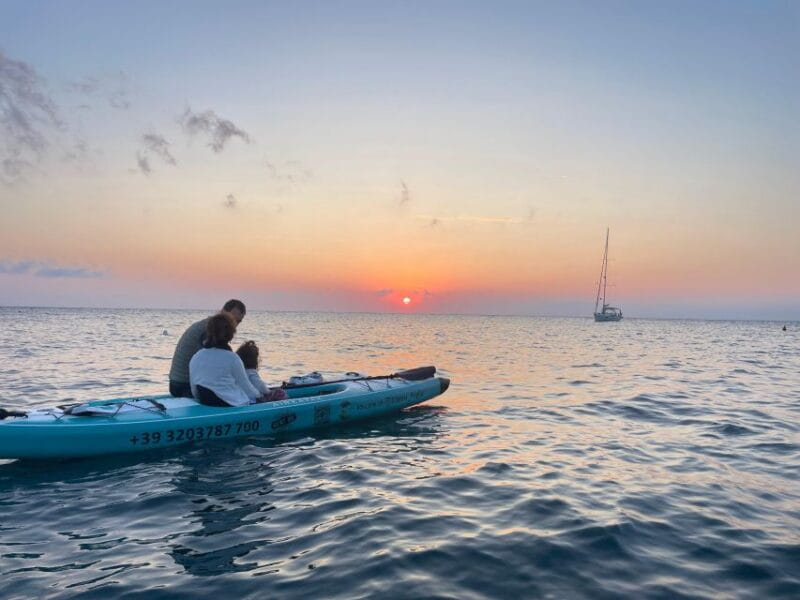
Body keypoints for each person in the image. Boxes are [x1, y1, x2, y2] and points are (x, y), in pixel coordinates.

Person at [168, 299, 246, 397]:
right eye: (232, 319)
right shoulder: (211, 331)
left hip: (176, 384)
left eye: (238, 321)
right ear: (223, 312)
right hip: (184, 386)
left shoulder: (211, 326)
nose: (234, 325)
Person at [189, 312, 262, 407]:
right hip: (231, 404)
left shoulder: (196, 356)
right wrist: (260, 395)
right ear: (231, 334)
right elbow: (247, 388)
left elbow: (194, 391)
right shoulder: (232, 358)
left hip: (206, 402)